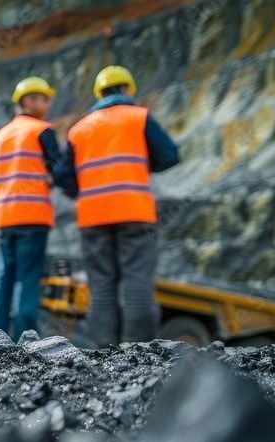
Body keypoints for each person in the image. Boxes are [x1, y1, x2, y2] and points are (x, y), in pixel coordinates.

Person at [54, 65, 180, 346]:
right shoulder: (139, 118)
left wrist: (82, 190)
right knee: (136, 285)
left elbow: (62, 175)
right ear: (126, 89)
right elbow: (170, 155)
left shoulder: (79, 129)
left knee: (102, 289)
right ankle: (138, 350)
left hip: (92, 216)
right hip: (135, 212)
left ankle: (105, 353)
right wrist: (144, 164)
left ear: (99, 93)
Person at [0, 77, 62, 341]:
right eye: (42, 98)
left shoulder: (0, 136)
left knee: (3, 277)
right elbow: (60, 170)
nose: (47, 103)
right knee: (27, 279)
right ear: (27, 101)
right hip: (33, 216)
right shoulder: (43, 131)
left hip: (4, 217)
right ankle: (25, 341)